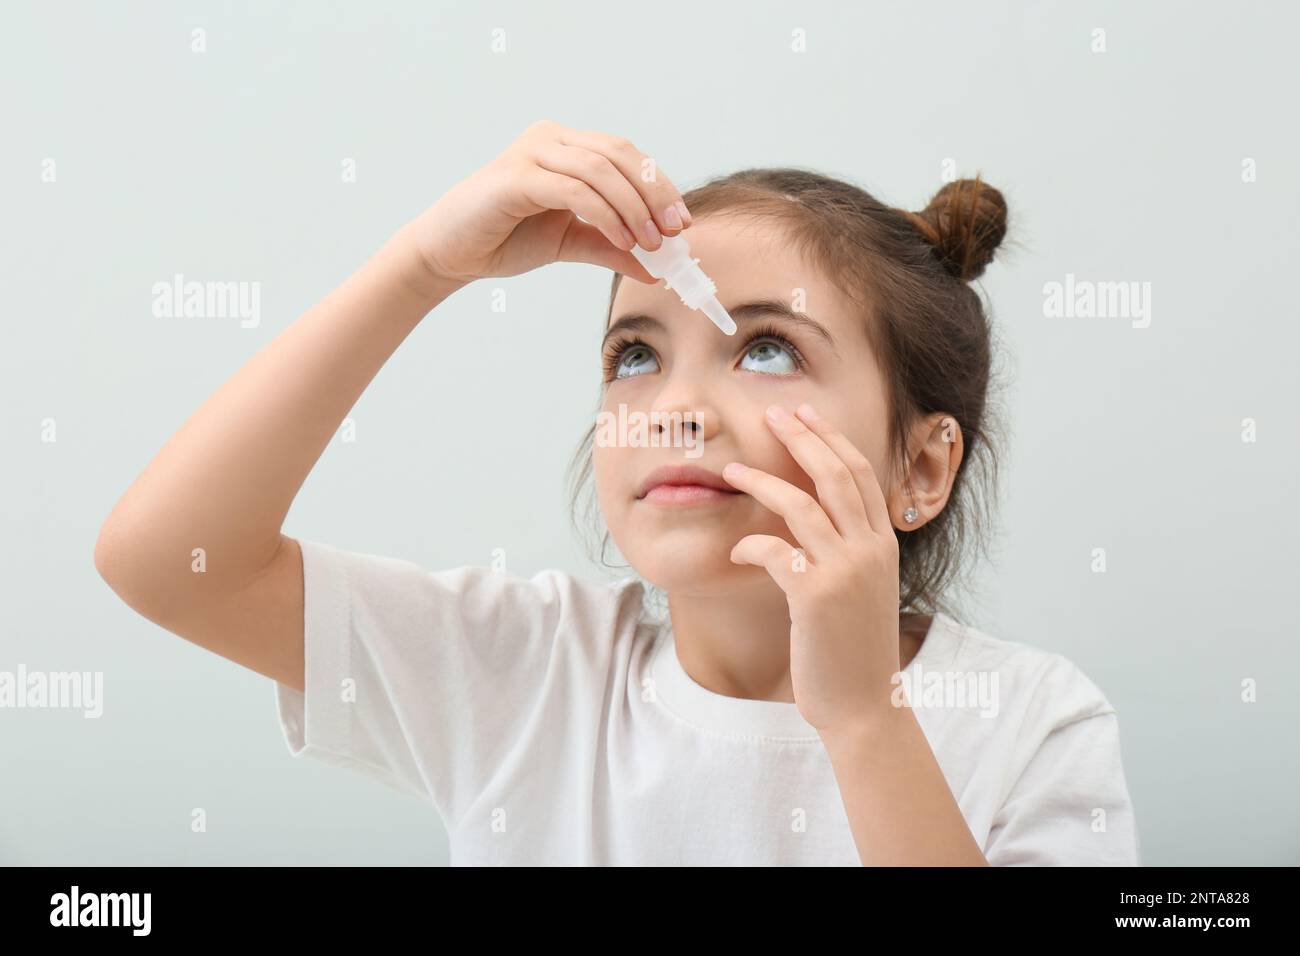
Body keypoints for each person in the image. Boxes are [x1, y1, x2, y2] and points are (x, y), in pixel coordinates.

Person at [94, 119, 1139, 866]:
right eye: (634, 354)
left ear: (919, 467)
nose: (674, 407)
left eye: (767, 349)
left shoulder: (1031, 723)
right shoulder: (522, 675)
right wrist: (423, 264)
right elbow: (165, 560)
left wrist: (864, 721)